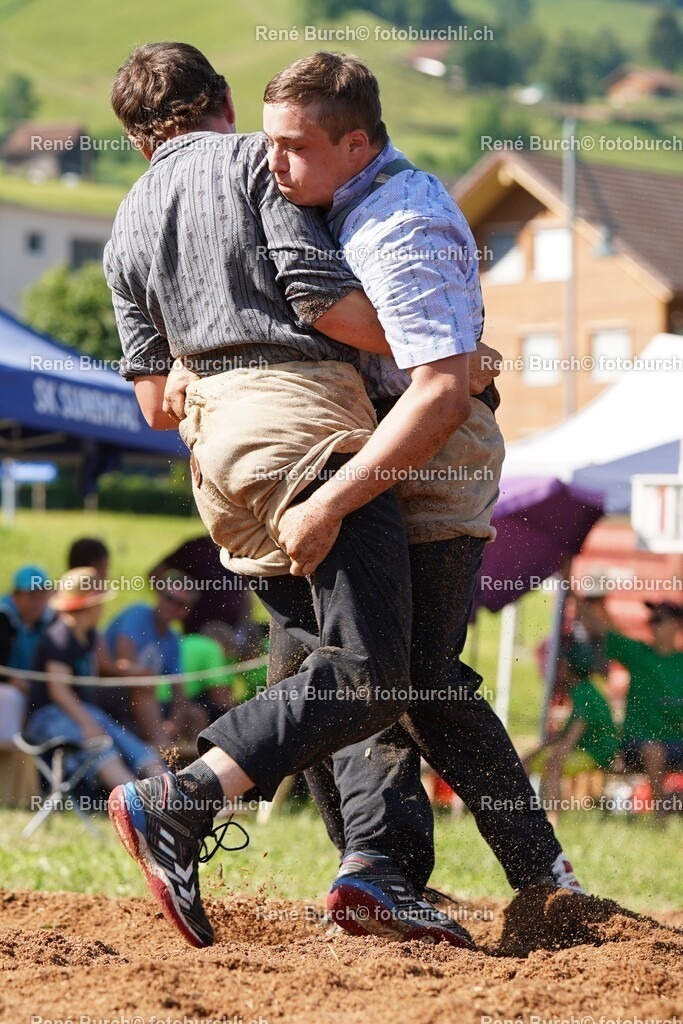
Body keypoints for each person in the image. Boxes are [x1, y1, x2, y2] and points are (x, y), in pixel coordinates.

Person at [106, 43, 577, 952]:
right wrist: (450, 351)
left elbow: (155, 403)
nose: (281, 156)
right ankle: (186, 797)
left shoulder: (127, 220)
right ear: (226, 101)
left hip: (219, 458)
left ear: (133, 139)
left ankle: (376, 870)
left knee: (321, 662)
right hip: (314, 431)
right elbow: (319, 299)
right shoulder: (254, 164)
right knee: (381, 672)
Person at [251, 50, 582, 937]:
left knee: (413, 682)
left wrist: (332, 501)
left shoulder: (401, 218)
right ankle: (375, 875)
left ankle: (539, 876)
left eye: (292, 147)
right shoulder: (345, 198)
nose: (271, 165)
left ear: (356, 143)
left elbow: (440, 392)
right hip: (382, 443)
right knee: (312, 669)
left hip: (430, 457)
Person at [25, 567, 164, 792]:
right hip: (49, 717)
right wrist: (87, 723)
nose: (102, 609)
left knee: (132, 746)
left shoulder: (88, 635)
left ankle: (172, 796)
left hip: (81, 710)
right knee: (101, 748)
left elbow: (106, 666)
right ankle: (140, 801)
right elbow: (58, 690)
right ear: (88, 606)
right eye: (99, 603)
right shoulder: (59, 637)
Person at [578, 596, 683, 820]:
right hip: (636, 745)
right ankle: (659, 816)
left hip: (676, 743)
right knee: (654, 748)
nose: (652, 623)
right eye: (651, 619)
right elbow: (600, 629)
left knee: (658, 748)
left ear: (676, 624)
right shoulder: (638, 654)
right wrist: (569, 585)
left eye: (659, 620)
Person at [523, 641, 620, 826]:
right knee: (526, 762)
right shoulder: (587, 687)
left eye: (562, 665)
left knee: (553, 764)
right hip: (587, 749)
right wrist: (540, 750)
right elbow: (566, 732)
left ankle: (552, 818)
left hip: (598, 751)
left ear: (570, 668)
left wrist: (559, 753)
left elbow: (579, 725)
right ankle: (521, 812)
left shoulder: (582, 690)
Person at [101, 570, 198, 746]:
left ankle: (198, 766)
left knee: (196, 714)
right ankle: (164, 756)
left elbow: (179, 692)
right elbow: (125, 665)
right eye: (169, 598)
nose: (171, 605)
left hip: (143, 697)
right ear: (159, 596)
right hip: (109, 688)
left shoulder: (173, 639)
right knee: (144, 683)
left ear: (186, 611)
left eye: (179, 603)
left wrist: (174, 723)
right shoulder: (137, 614)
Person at [0, 565, 53, 738]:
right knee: (11, 698)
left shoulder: (51, 622)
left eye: (41, 596)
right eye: (31, 597)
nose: (37, 603)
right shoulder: (4, 618)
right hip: (8, 688)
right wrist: (16, 681)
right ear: (15, 596)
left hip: (33, 687)